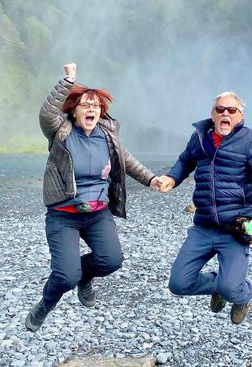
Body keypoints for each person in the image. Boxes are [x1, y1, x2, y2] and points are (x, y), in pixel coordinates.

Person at [25, 63, 164, 332]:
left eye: (96, 106)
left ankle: (84, 277)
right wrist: (67, 81)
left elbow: (128, 162)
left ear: (101, 112)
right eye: (86, 105)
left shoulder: (108, 136)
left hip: (97, 213)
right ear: (74, 110)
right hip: (63, 215)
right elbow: (46, 113)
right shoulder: (60, 132)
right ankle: (45, 304)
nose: (91, 110)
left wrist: (151, 179)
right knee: (65, 276)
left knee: (111, 261)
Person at [157, 91, 252, 324]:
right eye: (220, 109)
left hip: (235, 228)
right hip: (203, 226)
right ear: (212, 114)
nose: (225, 113)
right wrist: (171, 178)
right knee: (178, 284)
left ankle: (242, 294)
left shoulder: (251, 141)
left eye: (231, 110)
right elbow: (185, 161)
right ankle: (219, 285)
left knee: (231, 289)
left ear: (240, 115)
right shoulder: (200, 138)